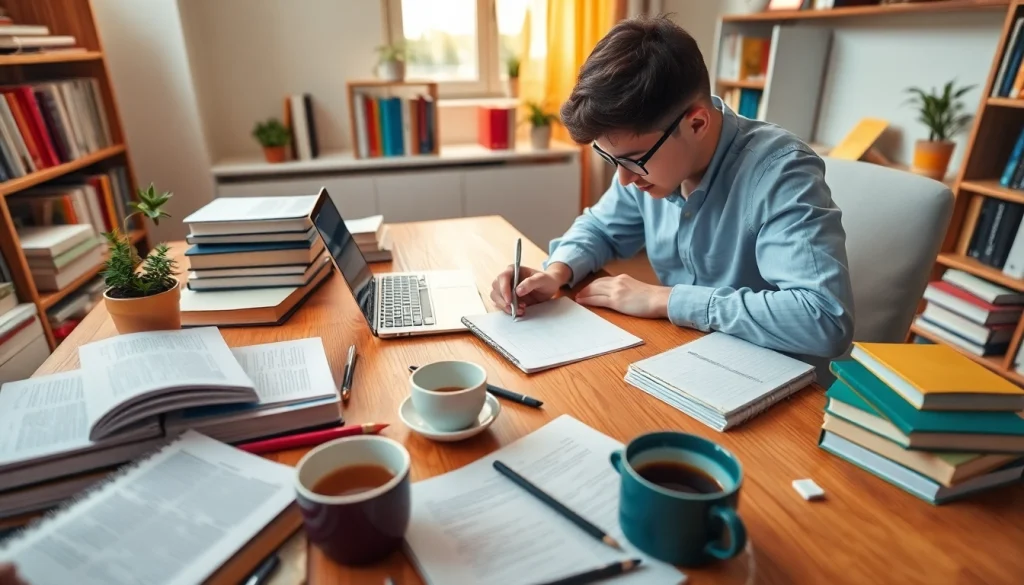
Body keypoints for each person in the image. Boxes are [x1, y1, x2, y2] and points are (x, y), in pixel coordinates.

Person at [489, 14, 854, 370]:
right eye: (610, 158)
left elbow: (824, 319)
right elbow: (600, 228)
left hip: (774, 387)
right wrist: (555, 272)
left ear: (696, 123)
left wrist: (667, 299)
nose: (624, 179)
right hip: (686, 358)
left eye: (634, 159)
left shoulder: (781, 172)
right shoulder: (647, 165)